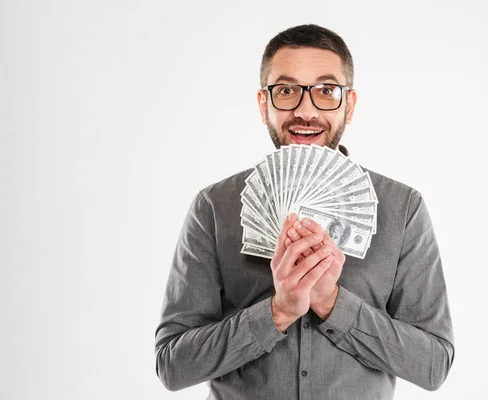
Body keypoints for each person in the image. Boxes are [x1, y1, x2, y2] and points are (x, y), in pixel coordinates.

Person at [155, 24, 455, 399]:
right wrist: (277, 312)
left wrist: (332, 303)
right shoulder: (214, 208)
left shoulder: (403, 208)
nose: (305, 110)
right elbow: (172, 365)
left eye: (327, 91)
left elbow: (433, 365)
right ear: (264, 103)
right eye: (286, 91)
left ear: (350, 104)